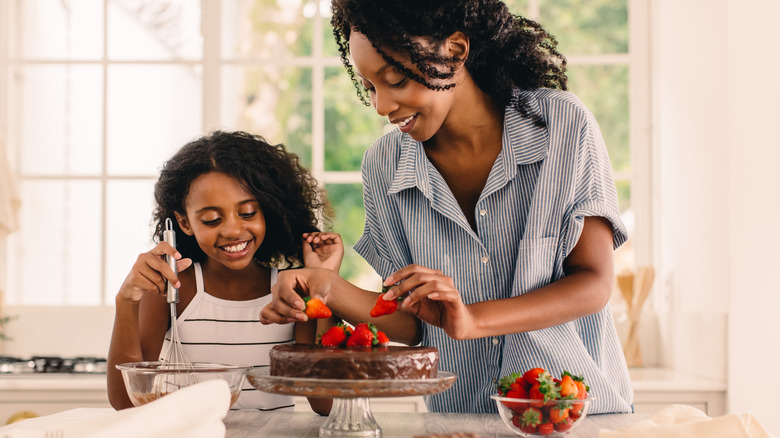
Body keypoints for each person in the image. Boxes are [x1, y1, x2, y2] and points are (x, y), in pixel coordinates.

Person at [260, 0, 633, 415]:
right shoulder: (383, 166)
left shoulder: (561, 125)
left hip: (573, 415)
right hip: (461, 418)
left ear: (454, 51)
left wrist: (472, 319)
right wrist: (325, 284)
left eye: (396, 79)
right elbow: (412, 322)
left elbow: (594, 283)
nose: (381, 106)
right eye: (369, 87)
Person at [107, 130, 339, 414]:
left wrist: (326, 283)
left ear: (268, 211)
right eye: (212, 219)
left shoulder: (293, 292)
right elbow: (125, 402)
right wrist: (126, 301)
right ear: (185, 223)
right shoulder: (174, 289)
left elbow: (325, 402)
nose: (232, 230)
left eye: (248, 213)